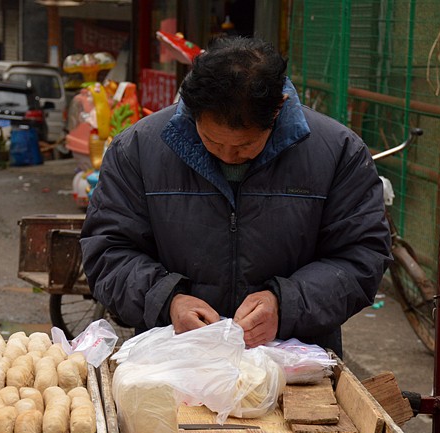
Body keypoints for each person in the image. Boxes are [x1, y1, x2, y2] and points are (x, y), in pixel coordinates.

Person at [79, 37, 392, 355]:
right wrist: (168, 301)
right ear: (193, 110)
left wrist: (285, 304)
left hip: (294, 367)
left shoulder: (338, 152)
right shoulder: (137, 150)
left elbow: (361, 257)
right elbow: (108, 251)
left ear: (278, 110)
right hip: (172, 360)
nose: (228, 156)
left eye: (244, 146)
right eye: (212, 142)